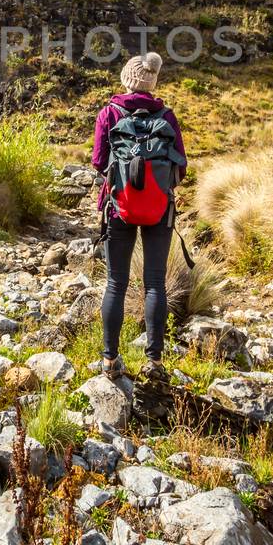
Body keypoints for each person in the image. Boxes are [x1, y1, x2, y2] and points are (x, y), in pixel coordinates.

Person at [90, 50, 186, 378]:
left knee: (116, 283)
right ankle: (155, 361)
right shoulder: (168, 116)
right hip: (160, 209)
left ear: (127, 80)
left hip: (118, 206)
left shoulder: (109, 113)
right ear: (151, 82)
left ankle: (109, 360)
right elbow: (180, 167)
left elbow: (98, 161)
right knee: (155, 282)